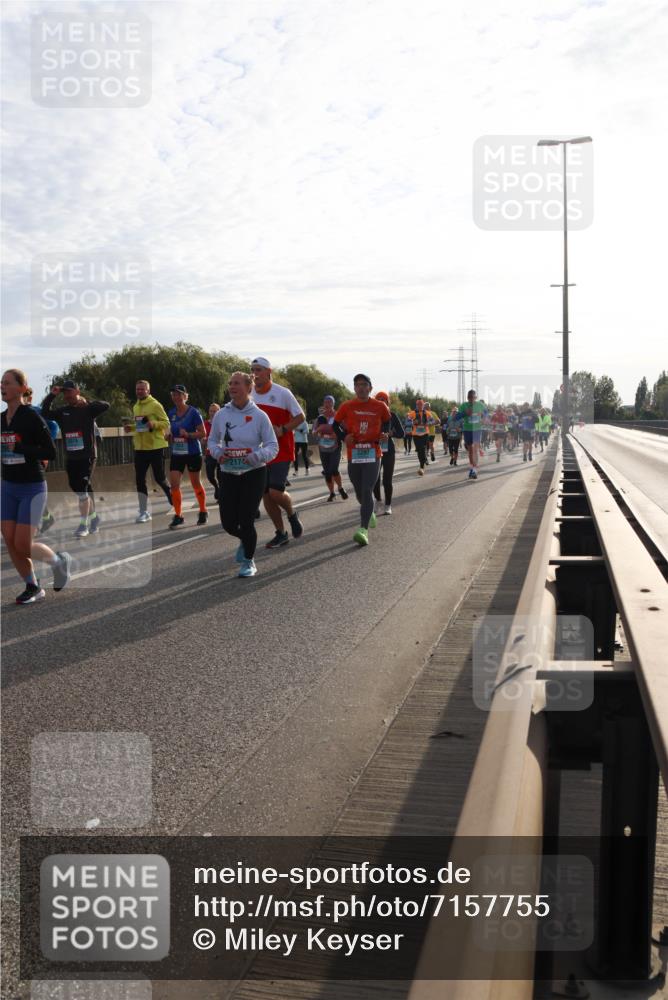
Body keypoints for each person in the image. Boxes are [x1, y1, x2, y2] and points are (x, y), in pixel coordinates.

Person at [1, 368, 71, 604]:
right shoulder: (1, 419)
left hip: (32, 486)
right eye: (1, 383)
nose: (2, 386)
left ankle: (58, 562)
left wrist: (21, 449)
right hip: (8, 486)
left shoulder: (31, 416)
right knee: (9, 540)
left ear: (21, 388)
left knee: (22, 543)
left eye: (7, 383)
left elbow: (50, 451)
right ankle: (32, 586)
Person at [208, 372, 278, 578]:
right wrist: (219, 453)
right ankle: (246, 539)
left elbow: (273, 446)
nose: (232, 387)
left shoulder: (259, 416)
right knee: (228, 523)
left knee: (246, 520)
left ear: (249, 388)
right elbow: (212, 441)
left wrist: (256, 456)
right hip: (228, 473)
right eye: (230, 384)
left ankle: (249, 560)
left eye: (236, 383)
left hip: (253, 473)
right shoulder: (221, 414)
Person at [41, 380, 109, 538]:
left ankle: (83, 524)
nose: (67, 395)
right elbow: (44, 413)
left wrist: (87, 402)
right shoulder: (63, 412)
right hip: (72, 456)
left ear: (77, 392)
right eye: (65, 393)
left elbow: (106, 405)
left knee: (83, 487)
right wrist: (52, 395)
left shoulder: (88, 409)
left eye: (70, 392)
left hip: (88, 456)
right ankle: (94, 518)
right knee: (76, 487)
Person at [250, 357, 305, 548]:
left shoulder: (282, 393)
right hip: (259, 451)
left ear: (268, 372)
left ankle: (291, 514)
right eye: (253, 370)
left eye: (259, 370)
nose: (255, 374)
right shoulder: (249, 395)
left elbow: (300, 417)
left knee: (275, 491)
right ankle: (281, 533)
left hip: (281, 449)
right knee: (266, 495)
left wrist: (283, 429)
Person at [334, 374, 390, 546]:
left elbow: (387, 421)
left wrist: (385, 433)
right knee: (359, 491)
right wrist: (344, 437)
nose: (361, 387)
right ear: (354, 388)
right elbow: (335, 424)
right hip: (354, 453)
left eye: (364, 384)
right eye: (357, 385)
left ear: (370, 388)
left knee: (367, 490)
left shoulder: (379, 406)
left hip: (373, 451)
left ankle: (363, 530)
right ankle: (369, 510)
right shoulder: (347, 406)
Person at [124, 379, 172, 523]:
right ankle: (143, 511)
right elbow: (140, 426)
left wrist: (154, 423)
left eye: (142, 389)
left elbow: (167, 422)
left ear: (148, 391)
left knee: (159, 478)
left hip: (156, 446)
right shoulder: (135, 406)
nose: (139, 391)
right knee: (139, 480)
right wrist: (130, 428)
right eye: (137, 389)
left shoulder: (155, 405)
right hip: (140, 448)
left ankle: (173, 498)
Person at [166, 385, 208, 529]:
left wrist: (189, 435)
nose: (176, 397)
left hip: (192, 453)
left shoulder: (194, 412)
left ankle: (203, 511)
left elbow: (203, 433)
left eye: (179, 394)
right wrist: (169, 436)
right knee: (174, 485)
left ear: (185, 396)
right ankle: (179, 515)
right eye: (174, 394)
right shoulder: (171, 413)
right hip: (177, 453)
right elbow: (170, 433)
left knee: (195, 483)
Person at [23, 387, 58, 535]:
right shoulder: (14, 414)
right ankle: (46, 517)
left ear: (30, 398)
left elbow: (54, 426)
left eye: (26, 396)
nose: (24, 398)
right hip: (21, 458)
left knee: (32, 491)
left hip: (37, 457)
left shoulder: (37, 411)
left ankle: (34, 523)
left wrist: (47, 447)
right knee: (27, 491)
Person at [372, 391, 404, 515]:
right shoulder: (372, 415)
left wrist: (391, 434)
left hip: (388, 450)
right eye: (378, 399)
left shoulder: (392, 415)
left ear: (387, 402)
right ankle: (378, 500)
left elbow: (401, 433)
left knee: (387, 480)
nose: (381, 401)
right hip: (374, 449)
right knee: (374, 478)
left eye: (383, 399)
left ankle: (388, 504)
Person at [312, 395, 348, 502]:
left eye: (329, 402)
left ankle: (340, 488)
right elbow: (314, 432)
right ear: (323, 404)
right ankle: (332, 493)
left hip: (335, 447)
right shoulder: (320, 418)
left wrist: (337, 435)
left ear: (333, 404)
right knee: (327, 472)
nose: (327, 404)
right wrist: (318, 431)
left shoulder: (338, 416)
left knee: (334, 469)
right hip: (323, 448)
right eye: (325, 402)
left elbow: (346, 429)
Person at [456, 389, 488, 479]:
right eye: (469, 398)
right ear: (467, 398)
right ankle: (472, 468)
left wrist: (484, 418)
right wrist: (464, 413)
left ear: (476, 397)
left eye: (473, 397)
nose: (471, 399)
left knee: (474, 449)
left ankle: (474, 470)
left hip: (477, 429)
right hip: (467, 430)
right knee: (470, 450)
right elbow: (456, 417)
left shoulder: (480, 405)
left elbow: (486, 413)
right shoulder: (464, 406)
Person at [204, 403, 221, 500]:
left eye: (215, 411)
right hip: (209, 453)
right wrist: (203, 440)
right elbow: (202, 436)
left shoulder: (223, 423)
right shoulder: (205, 424)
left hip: (221, 453)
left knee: (220, 476)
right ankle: (216, 487)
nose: (213, 413)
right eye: (211, 411)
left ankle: (221, 494)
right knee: (210, 476)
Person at [408, 399, 431, 475]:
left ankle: (421, 467)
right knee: (419, 450)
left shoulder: (427, 413)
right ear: (416, 405)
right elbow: (407, 421)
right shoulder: (412, 413)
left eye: (421, 404)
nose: (420, 406)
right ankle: (424, 460)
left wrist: (428, 423)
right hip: (416, 434)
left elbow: (433, 421)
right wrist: (412, 422)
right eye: (418, 404)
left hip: (425, 434)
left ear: (423, 405)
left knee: (423, 448)